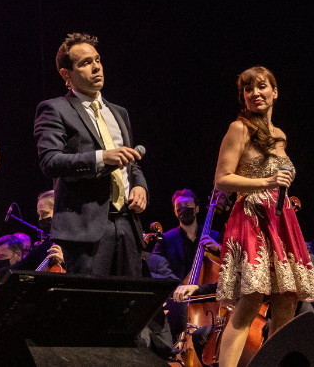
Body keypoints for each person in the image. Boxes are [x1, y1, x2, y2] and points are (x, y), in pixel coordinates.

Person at [209, 66, 314, 367]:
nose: (255, 93)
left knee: (287, 300)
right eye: (248, 89)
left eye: (261, 87)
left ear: (275, 91)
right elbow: (222, 179)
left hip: (281, 218)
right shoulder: (239, 129)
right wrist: (266, 183)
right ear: (243, 97)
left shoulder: (280, 136)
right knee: (251, 301)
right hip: (251, 217)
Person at [34, 33, 148, 278]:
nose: (96, 66)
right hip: (87, 229)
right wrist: (101, 157)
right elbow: (50, 161)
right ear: (67, 75)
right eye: (85, 63)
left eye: (97, 59)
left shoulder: (119, 112)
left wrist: (140, 186)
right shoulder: (55, 109)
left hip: (127, 224)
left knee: (130, 307)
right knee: (92, 311)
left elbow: (131, 163)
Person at [158, 189, 221, 280]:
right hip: (176, 291)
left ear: (197, 209)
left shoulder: (214, 236)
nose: (183, 208)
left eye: (187, 205)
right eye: (179, 206)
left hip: (206, 291)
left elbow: (230, 262)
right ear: (175, 212)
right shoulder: (166, 239)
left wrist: (219, 249)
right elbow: (155, 265)